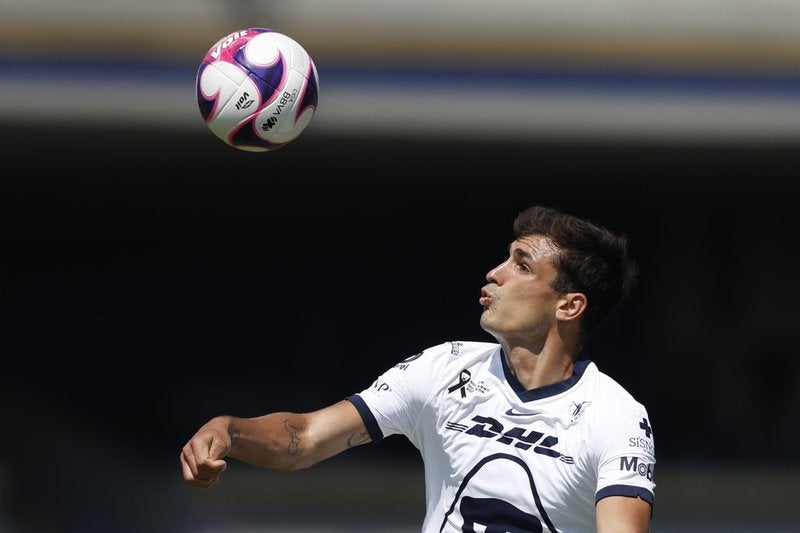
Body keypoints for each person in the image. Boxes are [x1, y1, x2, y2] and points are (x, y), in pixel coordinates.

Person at [180, 205, 656, 532]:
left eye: (523, 266)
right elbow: (304, 439)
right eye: (505, 258)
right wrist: (231, 432)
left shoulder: (615, 415)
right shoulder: (444, 367)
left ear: (569, 306)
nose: (495, 273)